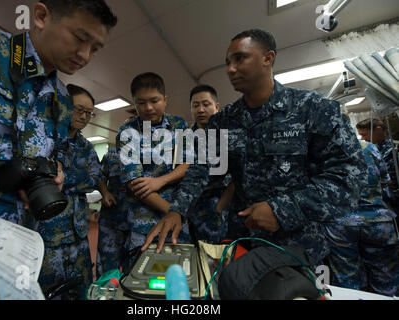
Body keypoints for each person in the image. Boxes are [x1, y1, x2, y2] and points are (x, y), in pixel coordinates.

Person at [143, 29, 367, 268]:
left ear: (267, 58)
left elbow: (350, 176)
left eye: (240, 59)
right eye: (228, 62)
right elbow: (200, 170)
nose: (230, 69)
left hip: (297, 247)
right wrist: (177, 211)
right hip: (243, 242)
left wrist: (282, 210)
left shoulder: (313, 109)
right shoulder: (222, 121)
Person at [0, 0, 117, 233]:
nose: (85, 55)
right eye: (80, 38)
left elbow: (51, 153)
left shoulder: (62, 99)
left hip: (17, 238)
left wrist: (54, 170)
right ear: (40, 16)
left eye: (95, 49)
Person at [117, 72, 192, 271]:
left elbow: (189, 164)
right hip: (145, 223)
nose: (148, 107)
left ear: (165, 100)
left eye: (154, 100)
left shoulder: (180, 125)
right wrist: (173, 212)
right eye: (141, 102)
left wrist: (162, 181)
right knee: (141, 279)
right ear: (134, 103)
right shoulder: (127, 132)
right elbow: (136, 184)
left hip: (177, 220)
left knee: (180, 277)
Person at [35, 84, 103, 299]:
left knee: (82, 289)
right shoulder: (45, 138)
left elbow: (95, 178)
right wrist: (70, 178)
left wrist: (64, 179)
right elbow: (41, 176)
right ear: (64, 106)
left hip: (78, 233)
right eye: (78, 109)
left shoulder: (85, 146)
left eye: (88, 113)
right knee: (46, 292)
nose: (83, 117)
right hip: (48, 234)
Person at [325, 136, 399, 297]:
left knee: (346, 280)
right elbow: (385, 179)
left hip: (340, 224)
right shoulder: (369, 148)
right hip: (377, 221)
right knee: (386, 279)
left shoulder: (322, 150)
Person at [187, 84, 234, 243]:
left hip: (220, 209)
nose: (200, 109)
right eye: (195, 105)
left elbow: (238, 176)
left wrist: (218, 208)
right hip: (188, 210)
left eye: (206, 104)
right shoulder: (184, 138)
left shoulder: (228, 135)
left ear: (217, 107)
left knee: (217, 260)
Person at [356, 118, 399, 217]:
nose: (362, 138)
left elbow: (391, 178)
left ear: (379, 130)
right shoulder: (372, 149)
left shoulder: (392, 150)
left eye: (364, 134)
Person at [96, 147, 129, 274]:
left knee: (133, 268)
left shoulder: (149, 155)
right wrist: (104, 192)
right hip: (111, 220)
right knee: (106, 267)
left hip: (136, 223)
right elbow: (98, 176)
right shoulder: (112, 155)